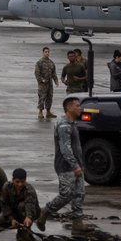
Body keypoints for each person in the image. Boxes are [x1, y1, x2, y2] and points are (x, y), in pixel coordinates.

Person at [38, 96, 84, 230]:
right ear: (68, 108)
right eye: (77, 106)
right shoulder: (64, 125)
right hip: (65, 166)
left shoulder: (72, 123)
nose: (79, 108)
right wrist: (75, 166)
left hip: (76, 165)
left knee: (79, 194)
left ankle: (78, 223)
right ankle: (45, 211)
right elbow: (65, 148)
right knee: (67, 195)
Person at [0, 168, 40, 233]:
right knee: (0, 220)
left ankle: (26, 227)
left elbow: (30, 205)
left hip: (31, 211)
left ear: (25, 180)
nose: (20, 184)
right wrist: (11, 219)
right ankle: (17, 224)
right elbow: (4, 204)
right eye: (17, 182)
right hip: (15, 211)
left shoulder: (29, 190)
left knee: (21, 206)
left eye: (22, 181)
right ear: (13, 180)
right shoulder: (7, 187)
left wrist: (28, 217)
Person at [34, 46, 59, 119]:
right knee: (42, 97)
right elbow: (36, 73)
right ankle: (40, 112)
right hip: (42, 84)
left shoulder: (51, 62)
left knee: (49, 97)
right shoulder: (39, 62)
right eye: (46, 52)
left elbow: (54, 73)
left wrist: (56, 81)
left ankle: (48, 112)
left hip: (49, 84)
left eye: (48, 52)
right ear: (43, 52)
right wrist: (41, 80)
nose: (47, 53)